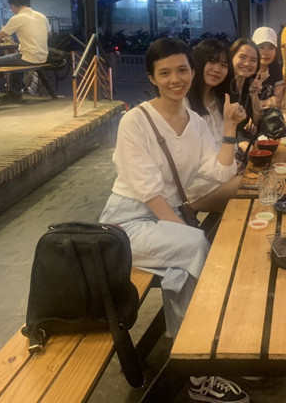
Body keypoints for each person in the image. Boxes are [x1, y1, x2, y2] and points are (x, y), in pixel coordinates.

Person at [99, 38, 249, 403]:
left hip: (165, 219)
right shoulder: (135, 121)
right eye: (164, 73)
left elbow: (218, 171)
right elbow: (149, 191)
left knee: (186, 262)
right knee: (195, 246)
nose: (175, 79)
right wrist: (184, 231)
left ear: (191, 72)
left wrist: (230, 128)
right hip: (125, 225)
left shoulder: (195, 122)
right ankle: (199, 364)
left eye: (182, 70)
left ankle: (197, 353)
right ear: (152, 77)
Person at [0, 0, 50, 101]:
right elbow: (49, 33)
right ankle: (16, 92)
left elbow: (1, 36)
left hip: (28, 57)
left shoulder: (17, 18)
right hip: (43, 56)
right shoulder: (41, 16)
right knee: (16, 60)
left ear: (12, 6)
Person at [228, 38, 262, 134]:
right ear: (231, 58)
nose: (247, 63)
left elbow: (259, 123)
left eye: (253, 60)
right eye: (242, 57)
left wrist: (254, 96)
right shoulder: (222, 85)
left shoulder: (249, 86)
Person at [251, 26, 284, 109]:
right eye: (261, 47)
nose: (266, 52)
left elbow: (278, 102)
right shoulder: (247, 70)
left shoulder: (276, 69)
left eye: (271, 48)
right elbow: (242, 103)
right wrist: (265, 102)